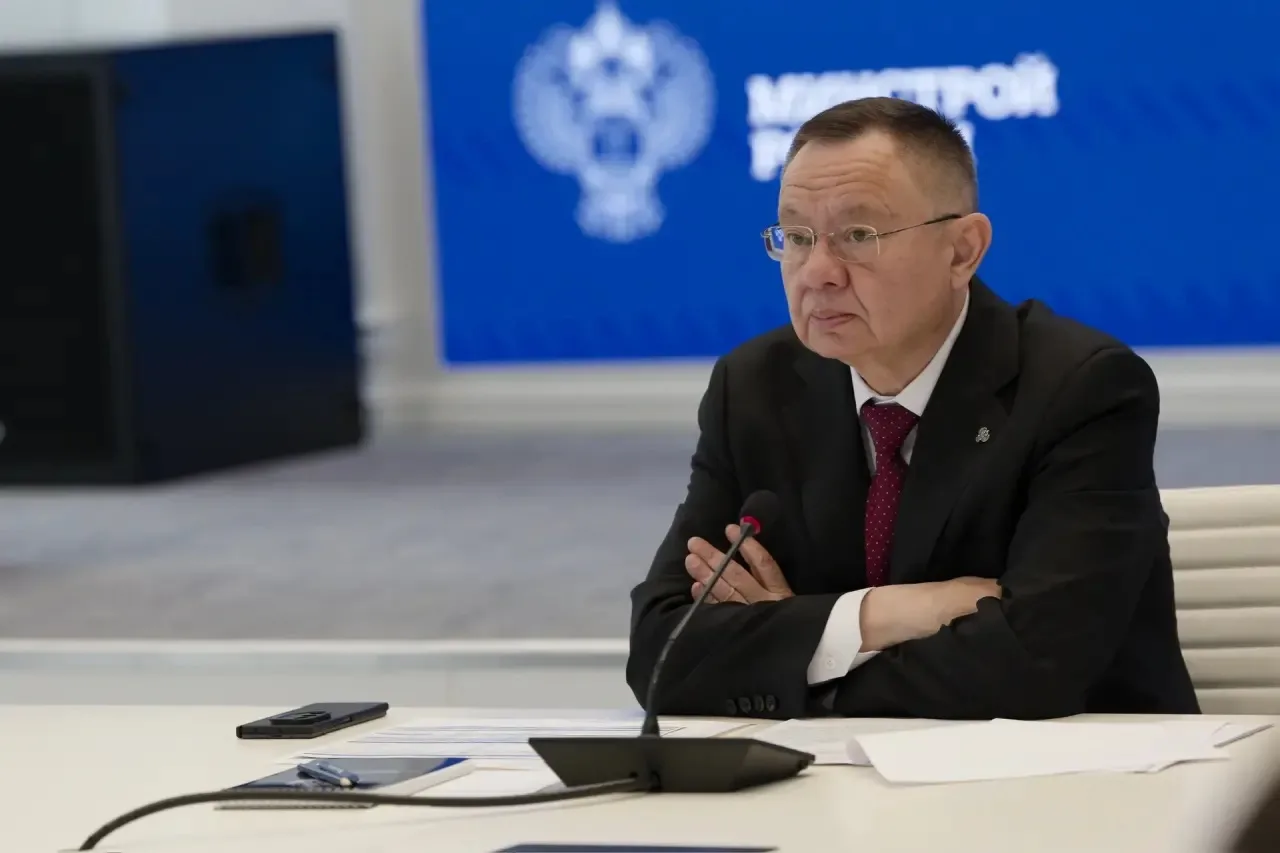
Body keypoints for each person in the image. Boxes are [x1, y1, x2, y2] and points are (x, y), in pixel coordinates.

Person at [626, 96, 1199, 721]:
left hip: (1089, 768)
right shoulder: (756, 387)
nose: (817, 272)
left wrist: (794, 653)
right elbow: (661, 652)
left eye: (858, 236)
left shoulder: (1082, 387)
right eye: (797, 237)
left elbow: (1034, 664)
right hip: (838, 774)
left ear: (962, 251)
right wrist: (884, 615)